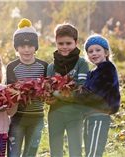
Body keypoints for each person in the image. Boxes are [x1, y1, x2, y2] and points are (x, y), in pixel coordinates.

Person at [54, 34, 121, 157]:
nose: (94, 53)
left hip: (99, 116)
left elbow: (91, 93)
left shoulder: (107, 68)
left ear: (106, 52)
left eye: (98, 50)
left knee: (94, 152)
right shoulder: (93, 72)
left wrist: (69, 96)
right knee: (89, 151)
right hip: (90, 117)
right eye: (90, 51)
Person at [6, 18, 48, 157]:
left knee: (30, 153)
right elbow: (11, 94)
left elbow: (47, 90)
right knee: (13, 153)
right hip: (18, 118)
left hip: (37, 118)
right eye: (22, 46)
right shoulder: (12, 67)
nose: (26, 50)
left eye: (30, 46)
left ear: (35, 47)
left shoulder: (44, 66)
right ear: (16, 48)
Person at [46, 23, 89, 157]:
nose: (64, 47)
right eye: (61, 43)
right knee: (55, 151)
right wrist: (50, 97)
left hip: (75, 114)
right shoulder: (51, 67)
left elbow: (80, 89)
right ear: (56, 43)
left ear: (76, 42)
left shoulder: (81, 63)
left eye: (68, 43)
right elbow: (48, 94)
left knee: (75, 151)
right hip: (55, 115)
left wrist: (57, 93)